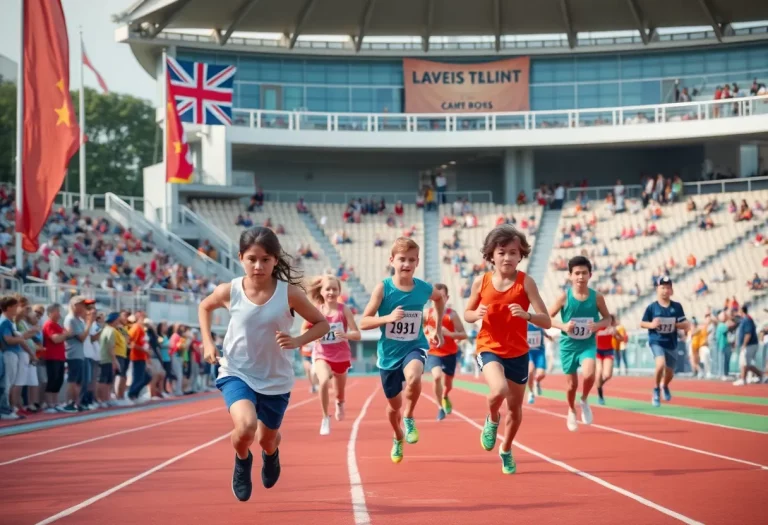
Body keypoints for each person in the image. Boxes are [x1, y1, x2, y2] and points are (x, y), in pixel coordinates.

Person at [199, 226, 329, 502]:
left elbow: (322, 323)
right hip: (237, 372)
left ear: (275, 260)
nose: (258, 266)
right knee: (245, 427)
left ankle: (271, 455)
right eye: (252, 259)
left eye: (266, 260)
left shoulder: (289, 294)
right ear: (241, 258)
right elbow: (204, 307)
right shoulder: (230, 290)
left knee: (267, 439)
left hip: (275, 379)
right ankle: (242, 461)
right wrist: (208, 343)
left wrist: (298, 339)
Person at [464, 225, 551, 474]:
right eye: (502, 252)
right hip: (488, 346)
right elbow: (468, 313)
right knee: (498, 389)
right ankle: (492, 419)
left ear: (520, 255)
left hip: (518, 352)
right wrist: (475, 313)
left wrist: (528, 315)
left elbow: (546, 319)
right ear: (491, 254)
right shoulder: (481, 282)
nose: (507, 258)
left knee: (514, 409)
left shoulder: (526, 283)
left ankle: (506, 448)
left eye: (513, 252)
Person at [360, 237, 445, 464]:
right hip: (388, 356)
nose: (406, 264)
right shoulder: (383, 288)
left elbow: (439, 299)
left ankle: (409, 417)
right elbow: (364, 321)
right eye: (401, 259)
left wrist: (436, 327)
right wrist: (388, 317)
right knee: (392, 407)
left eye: (411, 260)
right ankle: (398, 436)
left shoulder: (423, 288)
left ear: (417, 262)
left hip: (414, 346)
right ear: (392, 260)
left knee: (415, 376)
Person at [548, 256, 611, 431]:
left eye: (584, 273)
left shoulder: (597, 297)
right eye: (577, 273)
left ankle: (583, 400)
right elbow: (547, 318)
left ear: (590, 275)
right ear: (570, 276)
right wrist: (563, 325)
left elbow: (607, 319)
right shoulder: (564, 297)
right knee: (571, 385)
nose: (580, 277)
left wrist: (597, 325)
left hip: (587, 344)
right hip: (568, 346)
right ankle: (571, 409)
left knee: (590, 373)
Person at [304, 275, 361, 435]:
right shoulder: (316, 311)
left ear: (339, 291)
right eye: (328, 289)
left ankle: (340, 402)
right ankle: (325, 418)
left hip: (341, 356)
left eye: (334, 289)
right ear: (321, 292)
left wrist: (345, 334)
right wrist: (314, 336)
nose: (331, 292)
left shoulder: (344, 310)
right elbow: (303, 330)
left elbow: (357, 334)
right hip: (322, 354)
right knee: (323, 381)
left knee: (339, 390)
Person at [640, 276, 689, 406]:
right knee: (660, 364)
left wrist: (677, 325)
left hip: (671, 342)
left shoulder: (677, 307)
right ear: (657, 289)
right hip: (656, 340)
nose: (665, 290)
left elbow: (685, 323)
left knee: (670, 372)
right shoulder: (652, 308)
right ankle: (656, 389)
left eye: (668, 288)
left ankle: (664, 385)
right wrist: (652, 325)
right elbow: (642, 323)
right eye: (663, 287)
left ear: (671, 290)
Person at [424, 283, 466, 420]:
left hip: (450, 353)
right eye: (436, 296)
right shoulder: (426, 314)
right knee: (436, 377)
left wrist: (450, 334)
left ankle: (445, 396)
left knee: (448, 385)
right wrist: (428, 334)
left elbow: (463, 334)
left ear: (447, 298)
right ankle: (439, 407)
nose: (439, 299)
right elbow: (418, 332)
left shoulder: (452, 315)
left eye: (442, 297)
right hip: (433, 352)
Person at [596, 315, 624, 405]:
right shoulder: (597, 328)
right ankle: (600, 395)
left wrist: (615, 334)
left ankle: (599, 385)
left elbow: (621, 339)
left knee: (607, 375)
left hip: (608, 351)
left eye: (611, 321)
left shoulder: (612, 329)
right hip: (598, 352)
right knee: (599, 371)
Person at [526, 322, 551, 405]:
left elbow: (542, 331)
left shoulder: (541, 324)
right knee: (530, 371)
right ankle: (531, 392)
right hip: (529, 352)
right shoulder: (526, 325)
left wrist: (548, 336)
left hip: (539, 352)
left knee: (541, 374)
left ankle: (537, 382)